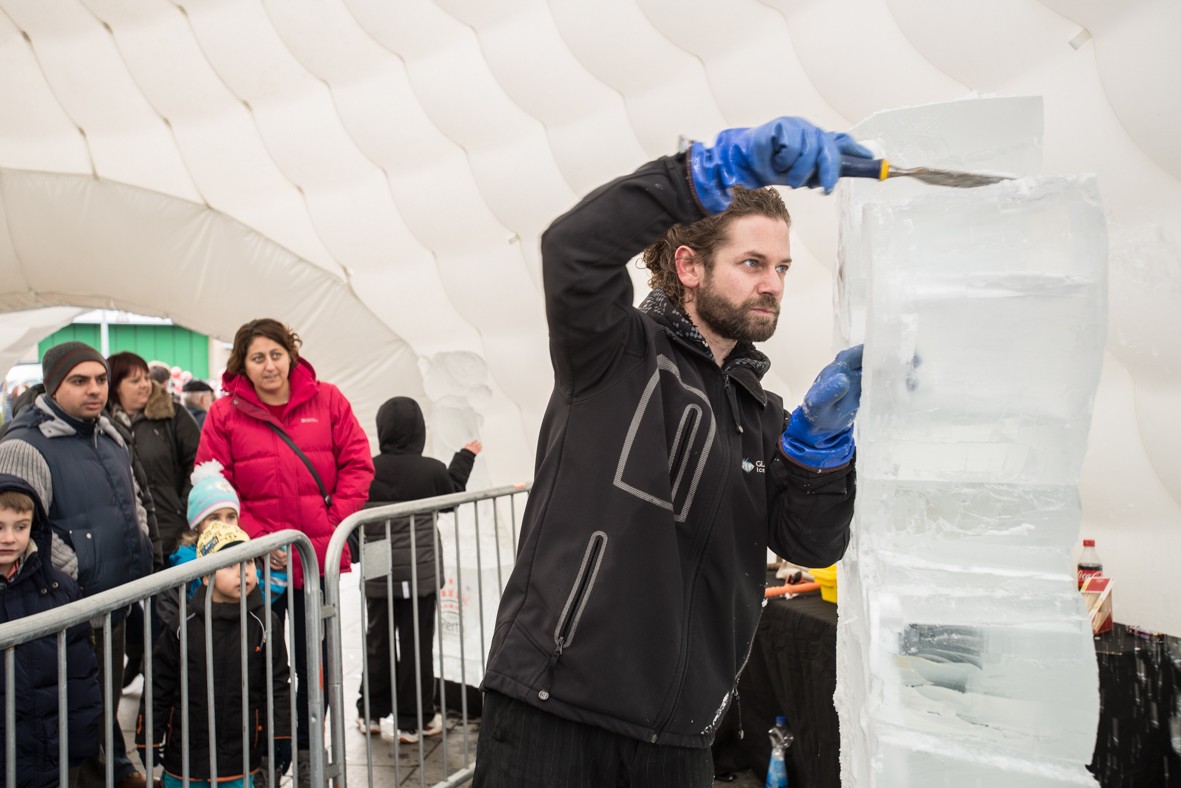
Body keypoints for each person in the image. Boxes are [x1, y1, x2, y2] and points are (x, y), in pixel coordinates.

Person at [473, 117, 868, 787]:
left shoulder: (760, 413)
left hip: (680, 737)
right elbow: (572, 250)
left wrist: (818, 452)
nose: (772, 284)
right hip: (557, 709)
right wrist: (701, 172)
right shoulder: (614, 352)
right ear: (688, 266)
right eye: (752, 263)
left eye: (781, 268)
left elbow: (809, 543)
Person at [195, 318, 374, 784]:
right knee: (260, 658)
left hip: (316, 563)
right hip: (257, 569)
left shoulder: (328, 399)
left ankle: (310, 740)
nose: (269, 365)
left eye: (276, 354)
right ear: (243, 365)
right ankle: (267, 752)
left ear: (290, 355)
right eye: (258, 357)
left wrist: (332, 526)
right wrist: (258, 541)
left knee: (318, 661)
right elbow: (214, 485)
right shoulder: (224, 414)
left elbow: (358, 462)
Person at [0, 340, 154, 788]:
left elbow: (134, 501)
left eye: (101, 379)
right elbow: (25, 530)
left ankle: (115, 768)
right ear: (53, 385)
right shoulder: (24, 446)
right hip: (70, 607)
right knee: (71, 709)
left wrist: (138, 544)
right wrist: (76, 581)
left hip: (115, 598)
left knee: (98, 699)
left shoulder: (109, 434)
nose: (94, 389)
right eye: (79, 380)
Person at [353, 396, 482, 743]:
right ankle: (416, 721)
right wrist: (464, 458)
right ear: (419, 431)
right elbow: (451, 499)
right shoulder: (431, 470)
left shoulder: (367, 468)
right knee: (415, 644)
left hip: (378, 563)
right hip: (418, 569)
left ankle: (371, 713)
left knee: (378, 639)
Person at [136, 520, 292, 788]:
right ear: (206, 575)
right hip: (185, 758)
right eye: (231, 564)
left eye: (249, 562)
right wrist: (147, 734)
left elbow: (278, 683)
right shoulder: (182, 625)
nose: (243, 572)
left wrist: (282, 734)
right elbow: (159, 683)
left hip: (239, 761)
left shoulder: (264, 623)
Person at [0, 470, 102, 788]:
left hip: (41, 750)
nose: (9, 537)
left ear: (35, 528)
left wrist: (80, 740)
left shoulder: (59, 590)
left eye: (20, 527)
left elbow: (80, 673)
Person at [107, 351, 201, 686]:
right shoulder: (103, 425)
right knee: (127, 608)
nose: (145, 385)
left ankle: (162, 683)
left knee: (167, 612)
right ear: (115, 386)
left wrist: (187, 506)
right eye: (134, 380)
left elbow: (198, 460)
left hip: (171, 529)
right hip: (125, 537)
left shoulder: (171, 414)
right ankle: (138, 656)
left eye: (146, 377)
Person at [156, 460, 287, 631]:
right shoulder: (184, 565)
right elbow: (172, 615)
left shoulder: (245, 555)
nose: (224, 524)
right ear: (197, 525)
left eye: (231, 517)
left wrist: (278, 569)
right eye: (214, 518)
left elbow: (261, 594)